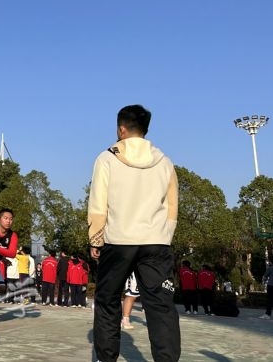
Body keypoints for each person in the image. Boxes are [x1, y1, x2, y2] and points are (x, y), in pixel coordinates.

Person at [87, 104, 181, 362]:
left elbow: (98, 204)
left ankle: (106, 358)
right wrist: (165, 236)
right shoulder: (165, 162)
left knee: (108, 301)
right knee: (161, 306)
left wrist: (95, 239)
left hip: (118, 241)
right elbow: (172, 206)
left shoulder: (106, 158)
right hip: (156, 242)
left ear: (121, 129)